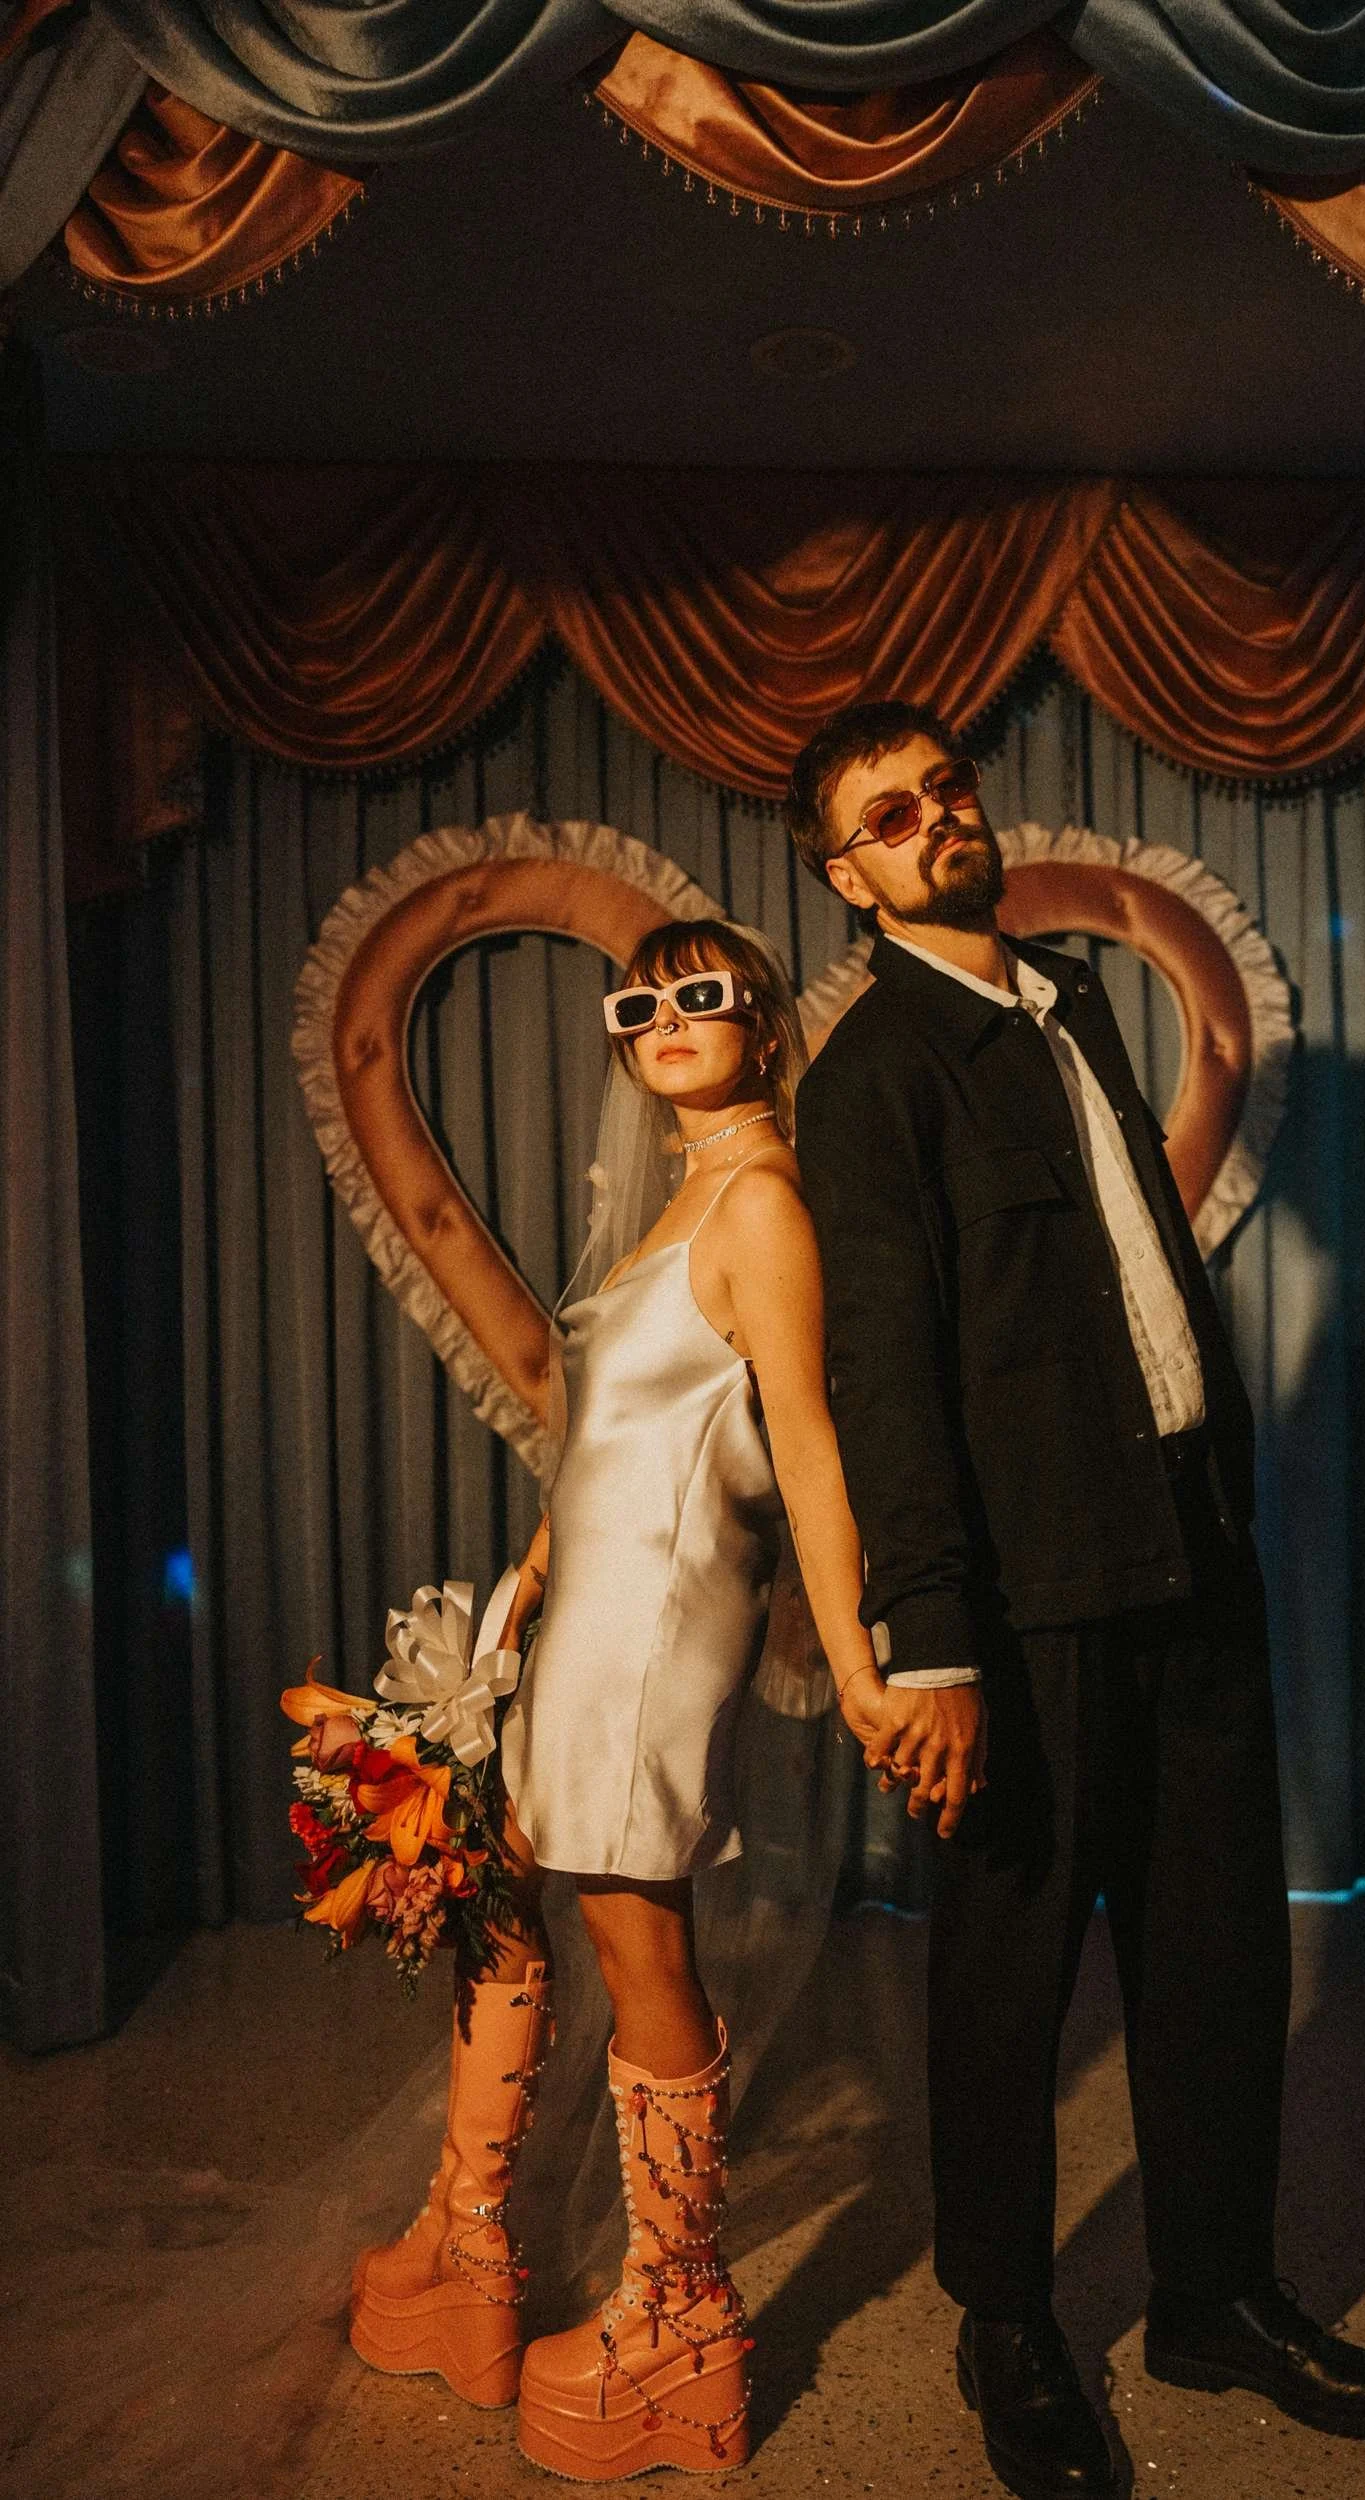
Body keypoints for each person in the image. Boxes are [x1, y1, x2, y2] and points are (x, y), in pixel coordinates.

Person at [785, 703, 1365, 2500]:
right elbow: (885, 1378)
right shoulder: (866, 1079)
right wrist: (927, 1640)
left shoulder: (1066, 998)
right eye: (888, 816)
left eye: (945, 791)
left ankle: (1213, 2298)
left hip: (1187, 1558)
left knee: (1220, 1948)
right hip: (1020, 1604)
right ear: (848, 875)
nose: (936, 822)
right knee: (1003, 1982)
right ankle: (1003, 2319)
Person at [347, 918, 894, 2480]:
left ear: (766, 1027)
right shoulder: (683, 1196)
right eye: (636, 1001)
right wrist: (525, 1577)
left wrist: (853, 1658)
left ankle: (679, 2314)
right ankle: (469, 2245)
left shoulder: (768, 1206)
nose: (661, 1017)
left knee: (629, 1927)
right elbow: (608, 1440)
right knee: (505, 1899)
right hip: (582, 1606)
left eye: (700, 993)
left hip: (661, 1622)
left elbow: (802, 1448)